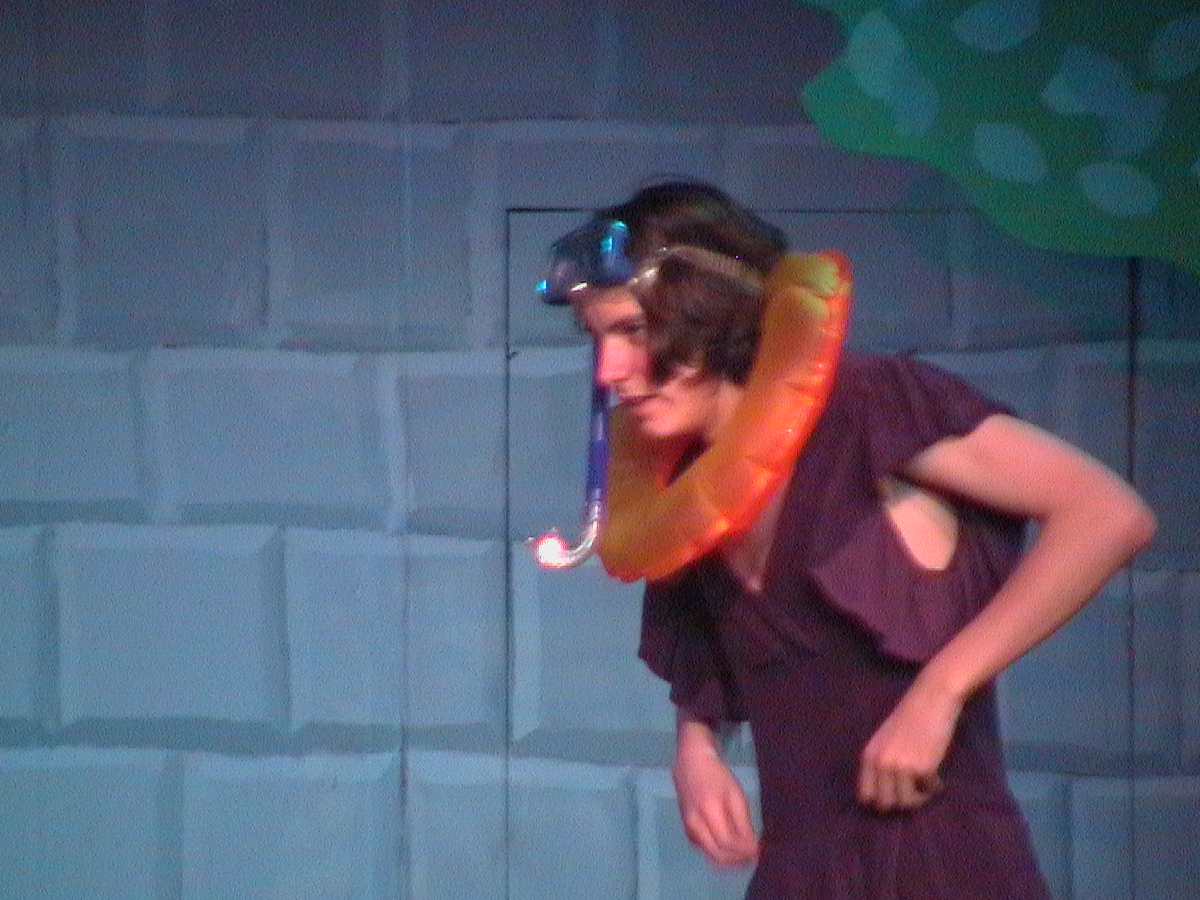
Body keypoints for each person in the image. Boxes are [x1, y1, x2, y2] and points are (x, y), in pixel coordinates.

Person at [538, 180, 1157, 899]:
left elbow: (1107, 513)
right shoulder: (688, 492)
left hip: (942, 867)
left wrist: (941, 691)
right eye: (598, 338)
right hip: (800, 871)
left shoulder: (869, 403)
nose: (609, 372)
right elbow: (712, 651)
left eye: (633, 332)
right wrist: (697, 748)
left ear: (705, 314)